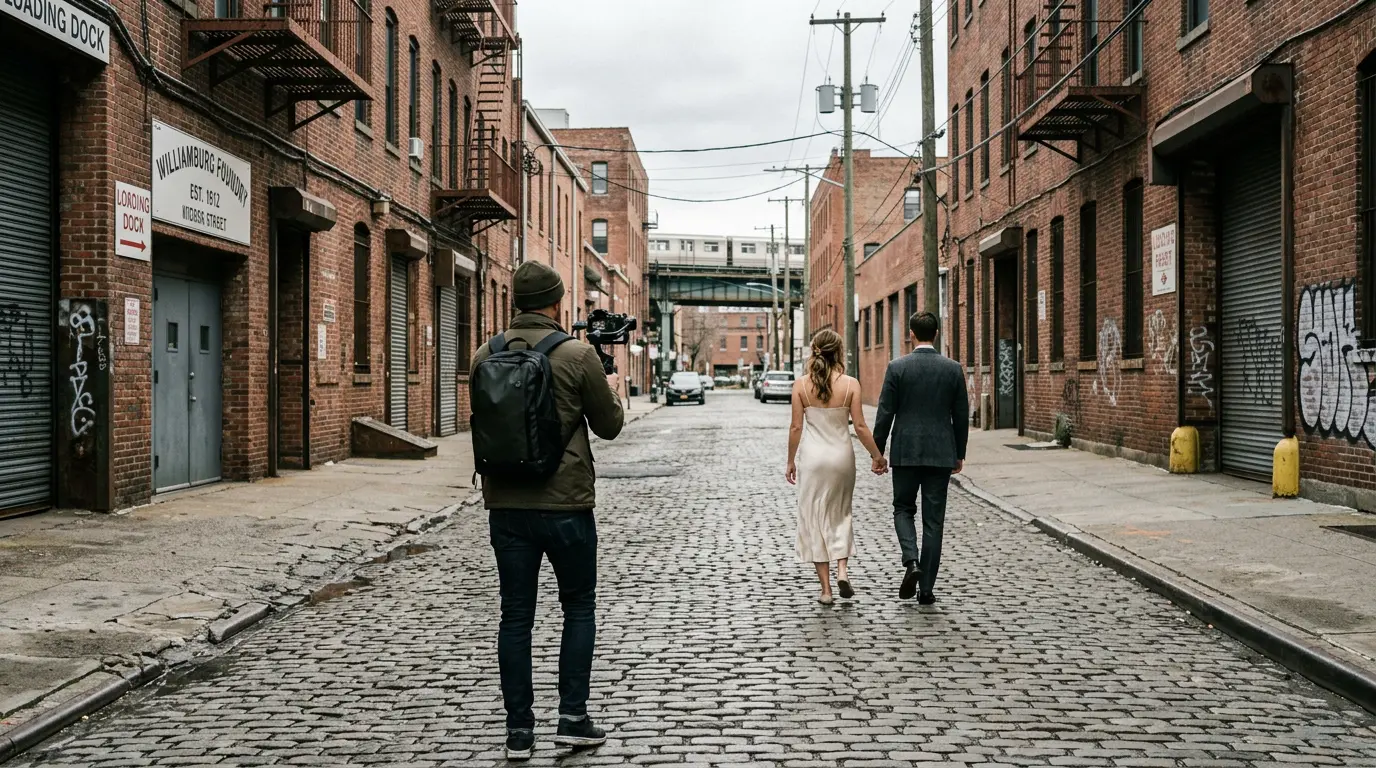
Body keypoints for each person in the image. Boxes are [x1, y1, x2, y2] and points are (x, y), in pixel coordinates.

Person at [471, 261, 624, 760]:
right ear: (557, 302)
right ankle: (573, 719)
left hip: (507, 506)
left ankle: (519, 733)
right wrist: (610, 384)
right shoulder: (578, 355)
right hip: (565, 507)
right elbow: (610, 426)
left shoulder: (483, 354)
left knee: (515, 616)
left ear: (514, 301)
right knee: (578, 607)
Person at [873, 311, 970, 605]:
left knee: (903, 508)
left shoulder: (897, 368)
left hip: (905, 452)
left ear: (911, 334)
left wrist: (878, 452)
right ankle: (926, 589)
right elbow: (961, 416)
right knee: (934, 521)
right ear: (937, 333)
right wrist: (959, 452)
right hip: (941, 453)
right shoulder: (953, 369)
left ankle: (911, 561)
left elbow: (885, 413)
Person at [785, 329, 888, 605]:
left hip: (813, 459)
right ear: (839, 353)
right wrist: (877, 455)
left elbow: (796, 427)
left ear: (814, 351)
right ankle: (842, 570)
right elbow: (862, 427)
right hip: (842, 457)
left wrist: (790, 460)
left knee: (814, 518)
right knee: (841, 513)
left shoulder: (801, 386)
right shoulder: (851, 384)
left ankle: (826, 590)